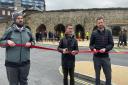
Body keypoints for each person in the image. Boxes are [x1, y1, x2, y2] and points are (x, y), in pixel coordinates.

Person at [0, 12, 35, 85]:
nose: (20, 20)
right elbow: (1, 42)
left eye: (21, 18)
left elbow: (34, 41)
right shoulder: (9, 30)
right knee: (13, 83)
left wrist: (31, 44)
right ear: (14, 20)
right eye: (18, 18)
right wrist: (7, 41)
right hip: (11, 65)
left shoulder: (28, 31)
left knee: (24, 82)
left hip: (25, 64)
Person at [89, 16, 114, 85]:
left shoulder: (108, 32)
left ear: (104, 23)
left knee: (108, 76)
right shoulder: (94, 33)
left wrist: (105, 49)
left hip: (106, 58)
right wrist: (93, 48)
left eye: (101, 22)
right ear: (97, 24)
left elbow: (111, 44)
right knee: (97, 77)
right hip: (96, 58)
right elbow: (91, 45)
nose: (100, 24)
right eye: (99, 23)